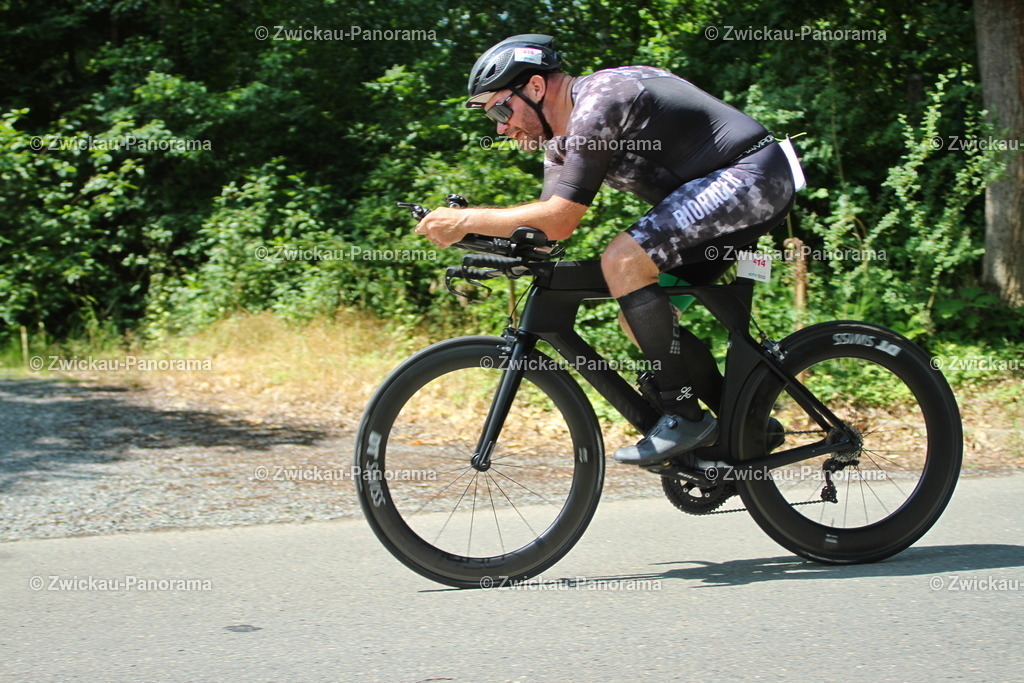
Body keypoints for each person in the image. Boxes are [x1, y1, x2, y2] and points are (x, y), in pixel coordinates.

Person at [416, 34, 795, 469]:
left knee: (623, 261)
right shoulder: (560, 143)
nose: (501, 127)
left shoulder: (599, 101)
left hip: (752, 175)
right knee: (640, 320)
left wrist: (465, 220)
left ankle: (684, 415)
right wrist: (478, 243)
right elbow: (545, 232)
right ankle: (743, 421)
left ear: (536, 88)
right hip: (714, 203)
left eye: (502, 109)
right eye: (493, 118)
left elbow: (560, 217)